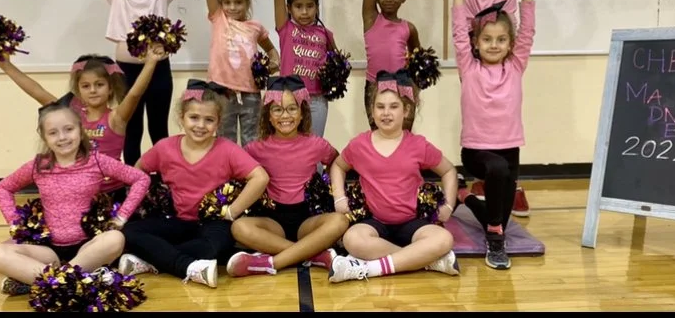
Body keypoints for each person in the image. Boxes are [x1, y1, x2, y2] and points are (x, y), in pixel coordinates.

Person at [421, 0, 546, 217]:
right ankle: (487, 174)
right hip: (474, 48)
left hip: (505, 43)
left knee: (505, 105)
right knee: (482, 107)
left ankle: (502, 184)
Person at [118, 79, 270, 288]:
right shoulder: (165, 148)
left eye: (209, 120)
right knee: (130, 232)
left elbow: (260, 177)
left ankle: (151, 260)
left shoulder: (227, 149)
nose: (200, 125)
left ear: (218, 123)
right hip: (178, 220)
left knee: (214, 247)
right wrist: (150, 196)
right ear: (182, 118)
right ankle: (189, 266)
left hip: (213, 223)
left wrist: (232, 211)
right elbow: (137, 170)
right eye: (194, 117)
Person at [0, 103, 151, 295]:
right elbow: (3, 188)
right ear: (44, 137)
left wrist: (121, 217)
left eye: (69, 129)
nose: (62, 137)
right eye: (53, 133)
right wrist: (15, 223)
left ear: (80, 131)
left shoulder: (96, 160)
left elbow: (141, 178)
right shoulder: (38, 166)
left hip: (89, 248)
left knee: (115, 238)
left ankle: (45, 282)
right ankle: (70, 280)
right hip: (49, 251)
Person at [327, 70, 461, 283]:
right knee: (352, 239)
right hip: (374, 223)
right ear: (372, 111)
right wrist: (339, 197)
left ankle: (369, 268)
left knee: (444, 239)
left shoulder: (418, 145)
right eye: (380, 107)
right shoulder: (359, 145)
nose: (386, 113)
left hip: (411, 222)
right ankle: (422, 260)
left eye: (394, 106)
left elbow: (449, 171)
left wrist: (449, 206)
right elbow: (338, 166)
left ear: (406, 110)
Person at [78, 0, 192, 165]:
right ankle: (132, 180)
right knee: (130, 129)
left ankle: (162, 182)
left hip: (158, 71)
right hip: (126, 72)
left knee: (158, 128)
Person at [449, 0, 538, 270]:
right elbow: (459, 28)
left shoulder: (515, 66)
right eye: (486, 39)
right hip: (477, 152)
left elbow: (528, 27)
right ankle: (496, 245)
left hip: (509, 148)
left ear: (511, 44)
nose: (494, 45)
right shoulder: (468, 68)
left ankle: (465, 198)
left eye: (501, 40)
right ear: (476, 42)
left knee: (497, 214)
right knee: (497, 174)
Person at [0, 46, 167, 196]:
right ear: (78, 88)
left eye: (99, 85)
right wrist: (5, 65)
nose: (93, 90)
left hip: (111, 192)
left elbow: (135, 94)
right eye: (86, 86)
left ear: (110, 88)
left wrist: (151, 62)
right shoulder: (70, 113)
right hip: (77, 191)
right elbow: (36, 91)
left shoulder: (117, 118)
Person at [224, 75, 350, 277]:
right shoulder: (254, 148)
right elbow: (235, 171)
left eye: (292, 108)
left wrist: (335, 193)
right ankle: (311, 254)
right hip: (272, 220)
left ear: (302, 113)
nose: (285, 115)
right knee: (239, 227)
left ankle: (271, 262)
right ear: (268, 115)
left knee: (340, 222)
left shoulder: (316, 144)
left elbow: (337, 164)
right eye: (277, 109)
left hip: (306, 220)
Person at [200, 0, 280, 147]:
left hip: (250, 93)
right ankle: (228, 178)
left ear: (246, 4)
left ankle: (249, 177)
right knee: (224, 140)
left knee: (251, 140)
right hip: (221, 92)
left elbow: (271, 50)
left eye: (238, 2)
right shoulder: (219, 18)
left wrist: (274, 61)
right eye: (227, 2)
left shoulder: (255, 27)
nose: (232, 7)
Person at [263, 0, 337, 137]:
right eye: (298, 6)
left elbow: (337, 63)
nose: (304, 12)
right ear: (289, 8)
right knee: (287, 146)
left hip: (316, 101)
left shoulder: (325, 34)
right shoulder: (286, 28)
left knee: (315, 148)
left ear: (317, 8)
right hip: (289, 99)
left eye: (310, 6)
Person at [362, 0, 421, 130]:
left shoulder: (409, 28)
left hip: (403, 85)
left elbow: (418, 59)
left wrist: (415, 86)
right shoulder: (371, 18)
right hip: (374, 86)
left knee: (404, 137)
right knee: (379, 136)